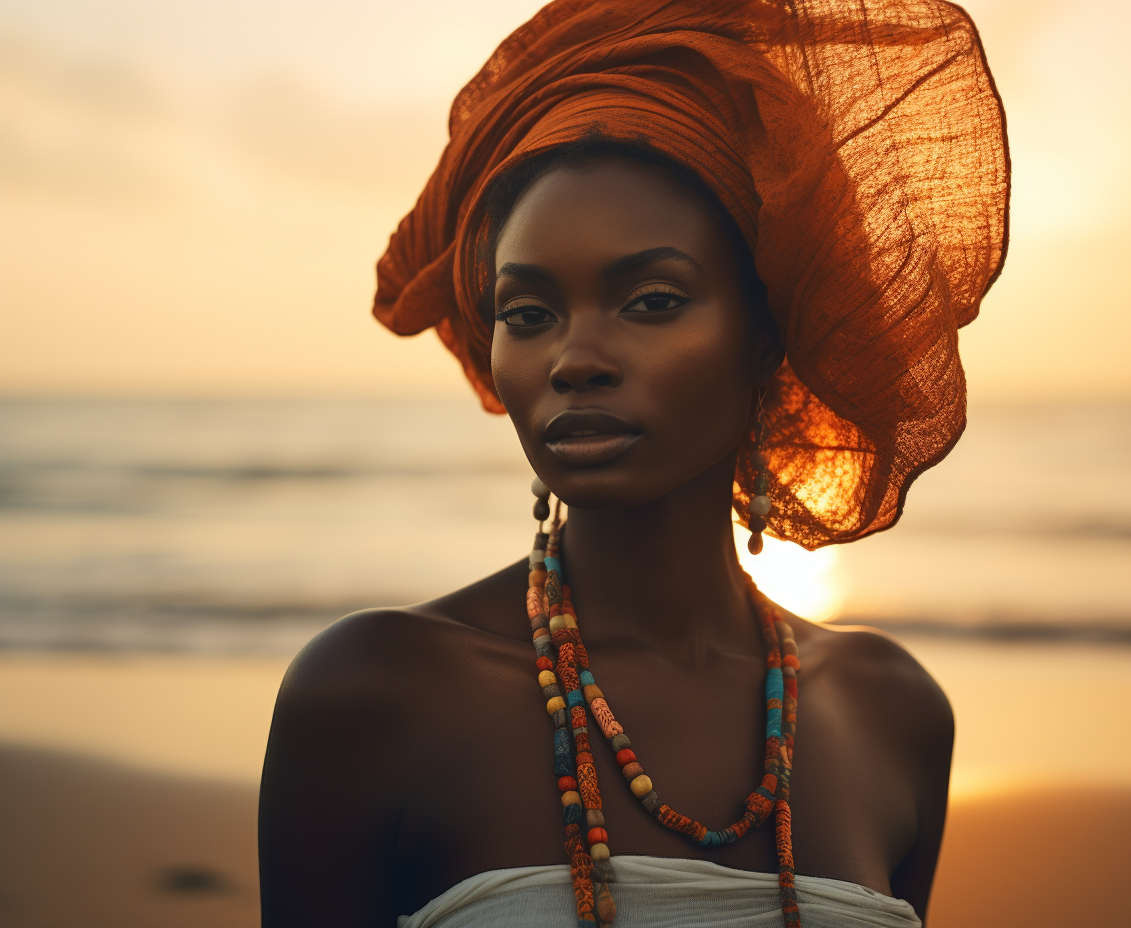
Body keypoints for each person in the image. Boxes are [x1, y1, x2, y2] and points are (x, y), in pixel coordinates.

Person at [258, 1, 1008, 926]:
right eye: (527, 314)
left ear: (767, 335)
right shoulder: (375, 691)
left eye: (650, 300)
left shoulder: (894, 712)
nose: (575, 358)